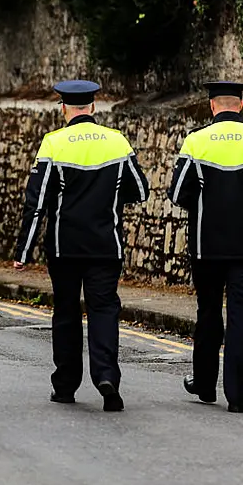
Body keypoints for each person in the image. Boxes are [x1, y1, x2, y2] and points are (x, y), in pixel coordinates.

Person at [13, 80, 149, 412]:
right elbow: (141, 190)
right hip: (105, 244)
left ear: (64, 108)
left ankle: (65, 386)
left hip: (64, 246)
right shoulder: (116, 142)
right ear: (92, 107)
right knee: (104, 310)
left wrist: (23, 251)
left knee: (66, 312)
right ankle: (106, 378)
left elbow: (37, 202)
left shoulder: (53, 143)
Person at [167, 81, 243, 413]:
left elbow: (178, 194)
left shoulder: (196, 141)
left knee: (208, 313)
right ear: (241, 106)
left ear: (212, 106)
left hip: (206, 244)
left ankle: (205, 385)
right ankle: (238, 395)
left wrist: (203, 205)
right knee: (240, 317)